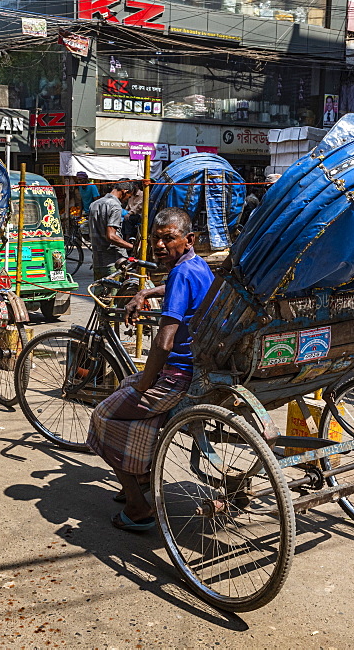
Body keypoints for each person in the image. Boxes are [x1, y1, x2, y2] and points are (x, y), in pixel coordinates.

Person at [87, 207, 214, 532]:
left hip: (176, 377)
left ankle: (137, 506)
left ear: (189, 240)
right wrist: (145, 291)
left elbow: (164, 342)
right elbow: (177, 289)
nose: (159, 245)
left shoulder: (181, 273)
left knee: (103, 415)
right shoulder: (197, 267)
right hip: (196, 371)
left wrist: (146, 382)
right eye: (156, 239)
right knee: (124, 388)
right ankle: (140, 474)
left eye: (167, 239)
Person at [89, 180, 136, 280]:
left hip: (98, 260)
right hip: (113, 261)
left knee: (100, 293)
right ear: (124, 191)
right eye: (129, 196)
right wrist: (132, 247)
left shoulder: (94, 204)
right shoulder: (115, 206)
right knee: (114, 294)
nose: (127, 199)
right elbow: (111, 236)